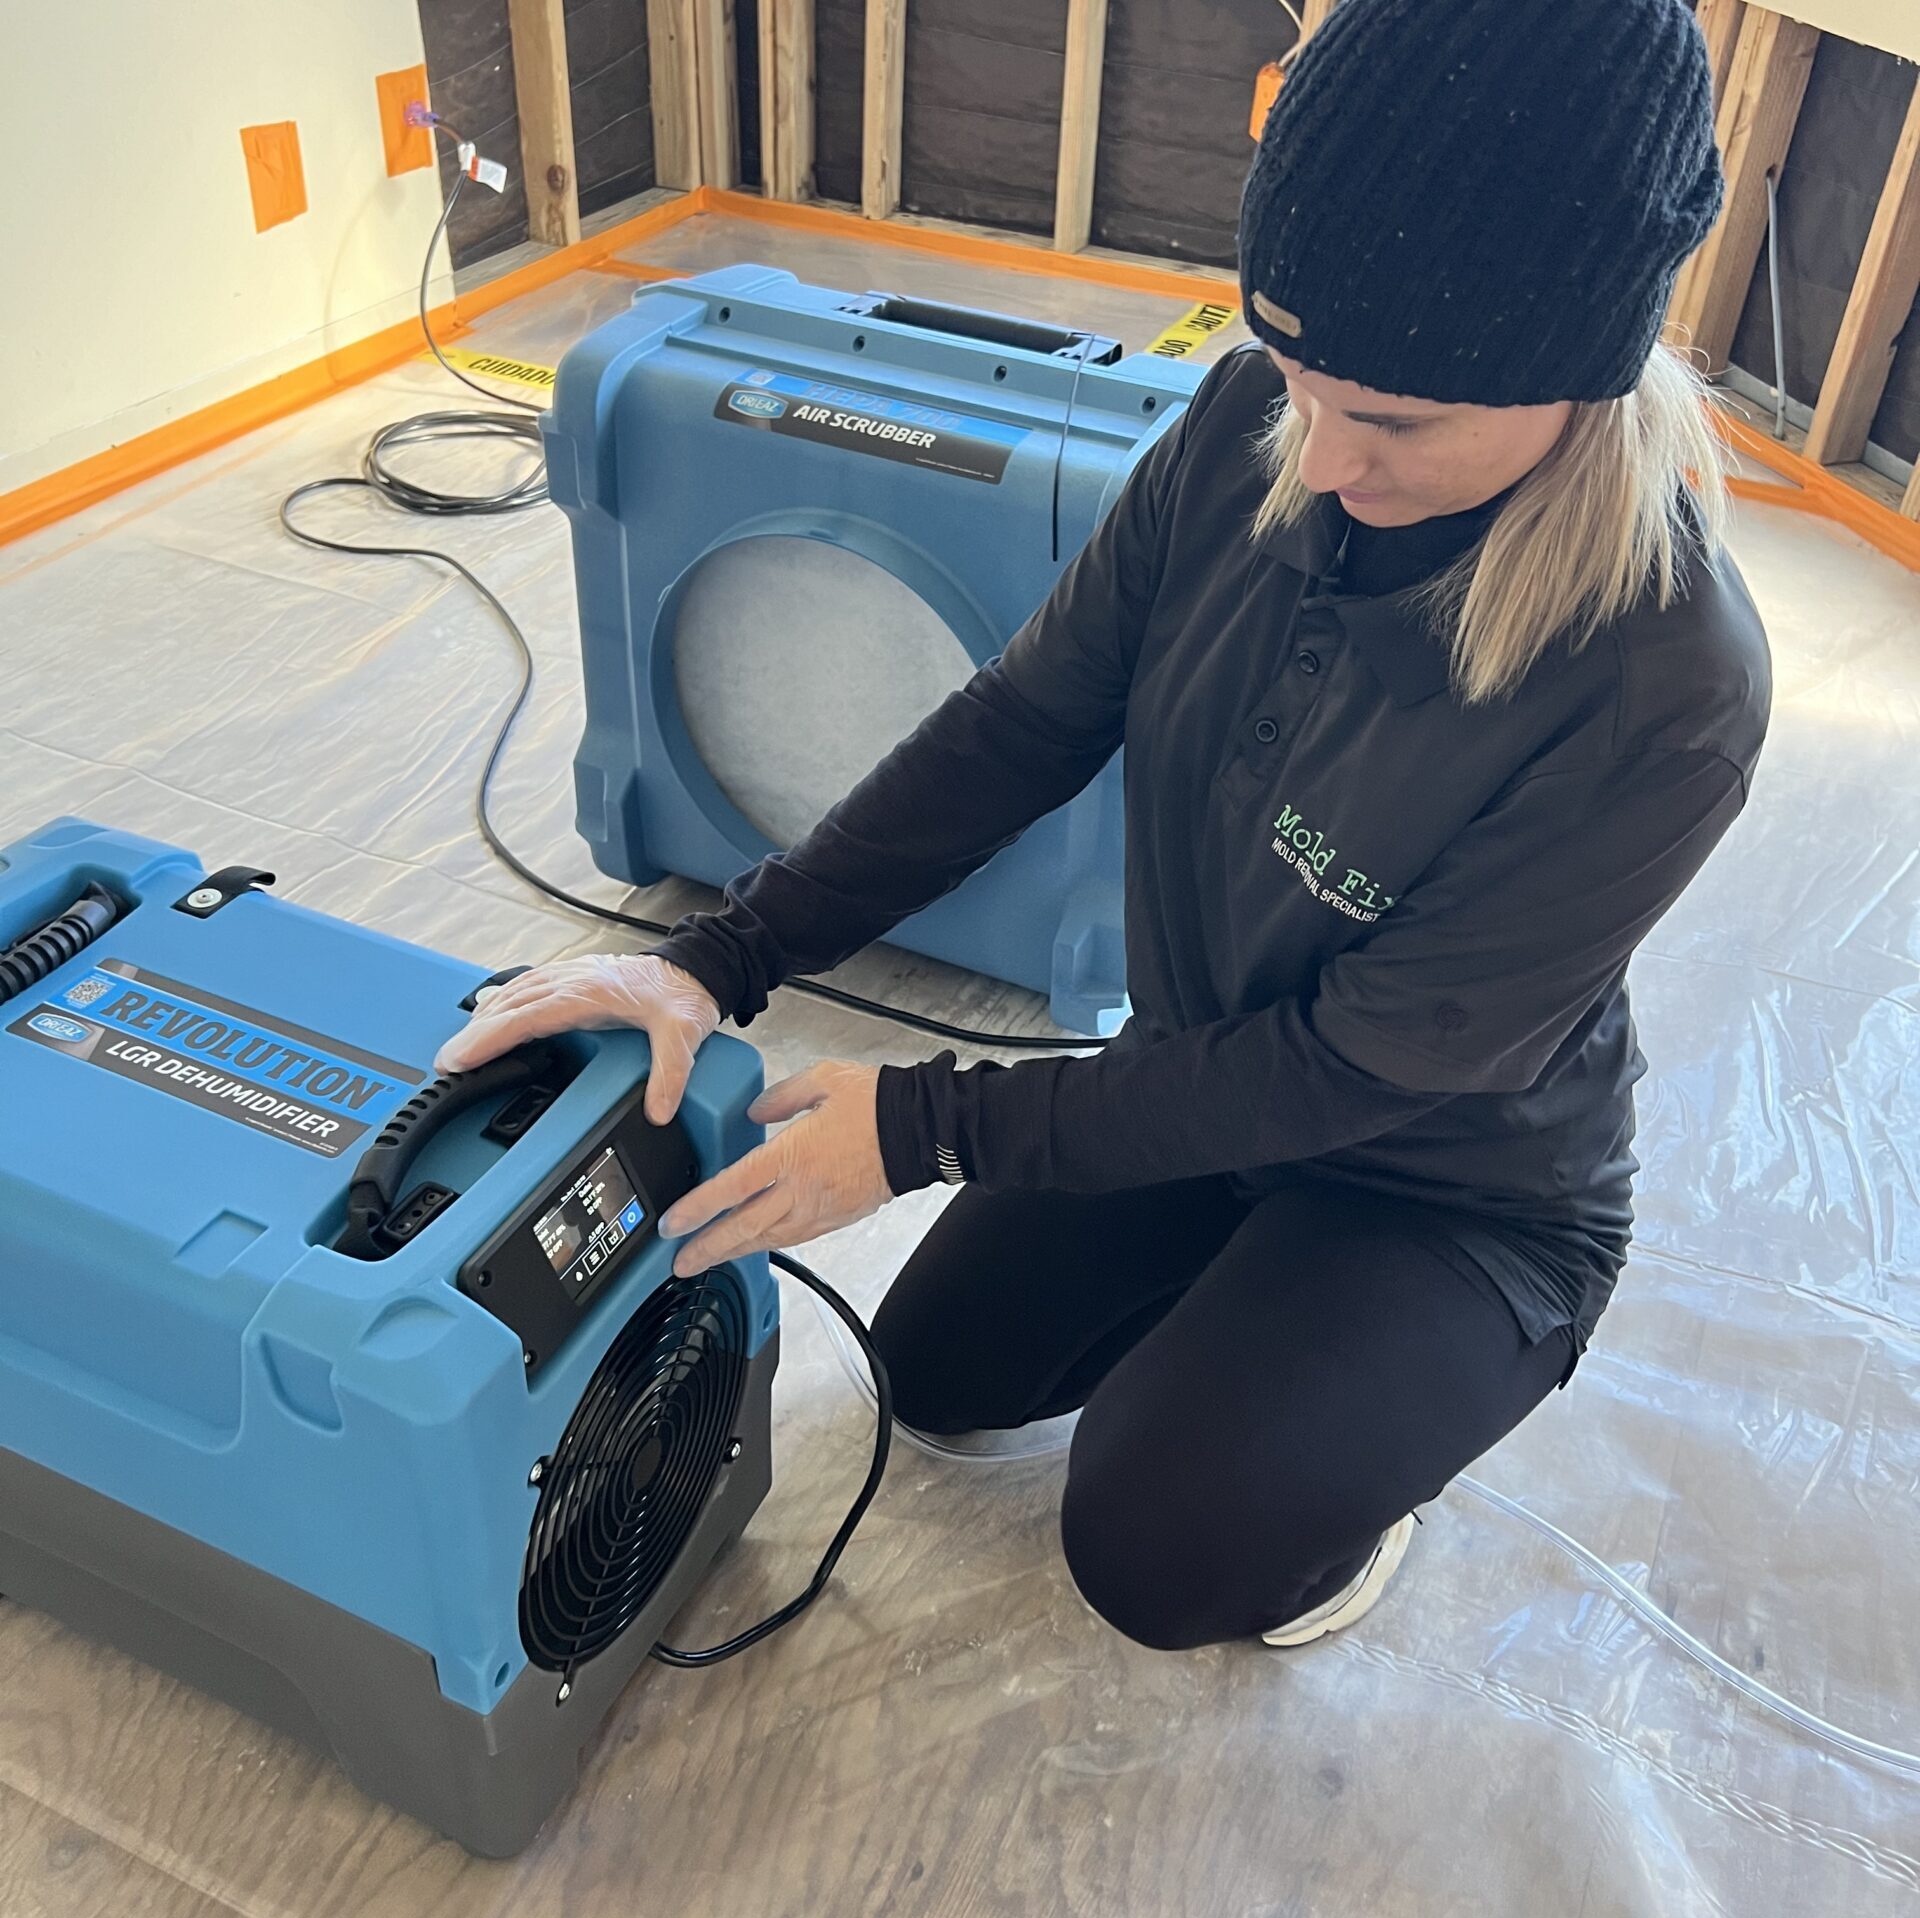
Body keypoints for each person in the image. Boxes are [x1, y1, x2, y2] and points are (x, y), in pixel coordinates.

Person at [440, 0, 1769, 1651]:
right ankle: (1261, 1341)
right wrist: (718, 961)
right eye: (1301, 380)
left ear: (1573, 370)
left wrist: (928, 1127)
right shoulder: (1241, 437)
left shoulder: (1666, 685)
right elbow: (1019, 726)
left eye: (1402, 425)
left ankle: (1356, 1472)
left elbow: (1349, 1067)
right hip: (1211, 1080)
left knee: (1161, 1554)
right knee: (932, 1377)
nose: (1331, 462)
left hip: (1448, 1187)